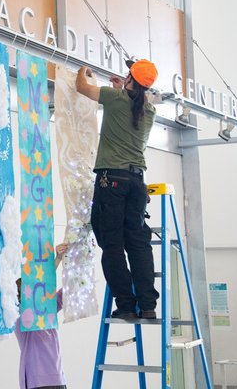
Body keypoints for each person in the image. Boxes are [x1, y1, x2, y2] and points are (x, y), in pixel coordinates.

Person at [75, 59, 160, 321]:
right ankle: (147, 305)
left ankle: (125, 305)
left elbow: (82, 88)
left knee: (112, 244)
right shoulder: (149, 109)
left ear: (129, 78)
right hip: (137, 183)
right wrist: (123, 87)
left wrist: (82, 70)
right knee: (137, 243)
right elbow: (131, 101)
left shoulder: (115, 98)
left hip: (111, 181)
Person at [15, 243, 69, 389]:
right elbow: (41, 286)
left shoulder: (46, 310)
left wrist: (72, 258)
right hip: (36, 382)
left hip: (58, 379)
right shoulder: (19, 317)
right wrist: (56, 260)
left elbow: (67, 289)